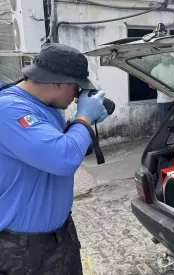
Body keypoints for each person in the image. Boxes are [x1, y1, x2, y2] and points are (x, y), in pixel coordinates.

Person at [0, 43, 108, 274]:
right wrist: (84, 119)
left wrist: (85, 124)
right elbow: (63, 158)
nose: (78, 96)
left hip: (61, 235)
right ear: (59, 82)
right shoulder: (8, 109)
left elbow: (63, 146)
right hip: (23, 248)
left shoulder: (46, 107)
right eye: (77, 88)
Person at [151, 53, 174, 125]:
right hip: (163, 101)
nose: (167, 58)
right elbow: (151, 85)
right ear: (161, 56)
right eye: (165, 55)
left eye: (168, 56)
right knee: (164, 124)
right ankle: (166, 137)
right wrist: (162, 89)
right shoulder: (155, 69)